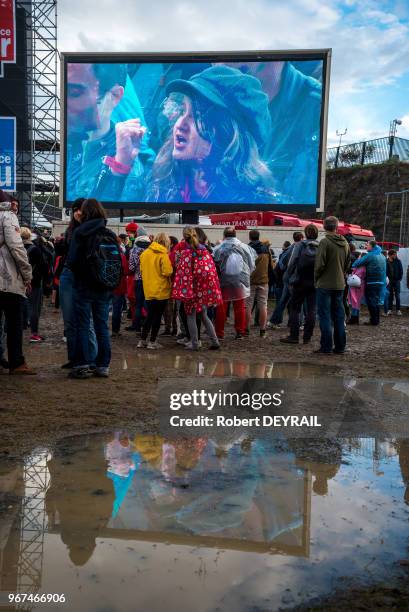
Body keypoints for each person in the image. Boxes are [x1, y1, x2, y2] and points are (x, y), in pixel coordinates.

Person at [146, 65, 277, 205]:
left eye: (198, 116)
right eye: (183, 111)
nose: (180, 124)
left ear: (228, 134)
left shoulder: (255, 202)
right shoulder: (162, 179)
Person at [66, 63, 154, 202]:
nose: (72, 104)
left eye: (78, 93)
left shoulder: (127, 158)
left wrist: (119, 169)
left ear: (115, 96)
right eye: (68, 93)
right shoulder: (69, 144)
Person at [66, 198, 119, 378]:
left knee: (83, 324)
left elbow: (71, 261)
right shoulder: (110, 233)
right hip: (104, 286)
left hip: (83, 285)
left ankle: (82, 363)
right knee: (102, 325)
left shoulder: (80, 232)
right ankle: (103, 365)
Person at [58, 198, 97, 369]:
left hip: (83, 277)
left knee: (85, 320)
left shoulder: (92, 230)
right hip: (68, 276)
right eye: (75, 210)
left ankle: (90, 358)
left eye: (80, 209)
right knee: (69, 321)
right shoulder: (70, 231)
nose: (77, 213)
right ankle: (74, 358)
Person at [0, 190, 35, 374]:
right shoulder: (7, 216)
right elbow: (16, 247)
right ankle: (17, 362)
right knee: (14, 322)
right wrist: (27, 275)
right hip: (7, 280)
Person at [171, 227, 222, 351]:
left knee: (191, 315)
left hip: (192, 290)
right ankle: (215, 341)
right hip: (205, 290)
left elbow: (182, 273)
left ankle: (194, 343)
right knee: (204, 316)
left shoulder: (186, 253)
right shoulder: (205, 251)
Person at [314, 216, 351, 354]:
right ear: (336, 227)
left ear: (324, 227)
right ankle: (340, 347)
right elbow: (348, 264)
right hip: (339, 285)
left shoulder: (324, 242)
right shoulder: (345, 242)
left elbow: (319, 265)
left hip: (324, 284)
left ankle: (326, 347)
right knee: (339, 316)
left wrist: (316, 279)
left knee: (325, 316)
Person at [213, 227, 256, 340]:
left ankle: (219, 333)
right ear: (235, 234)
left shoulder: (218, 248)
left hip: (223, 281)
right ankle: (240, 332)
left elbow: (213, 265)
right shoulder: (245, 247)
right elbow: (251, 265)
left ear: (224, 235)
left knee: (221, 307)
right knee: (240, 307)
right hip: (240, 281)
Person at [280, 223, 319, 345]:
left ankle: (294, 336)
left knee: (295, 308)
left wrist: (287, 276)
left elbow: (292, 262)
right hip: (314, 281)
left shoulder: (299, 245)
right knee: (312, 309)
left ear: (306, 233)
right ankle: (307, 337)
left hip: (299, 281)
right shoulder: (321, 245)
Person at [138, 233, 173, 349]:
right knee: (157, 317)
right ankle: (152, 342)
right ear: (166, 242)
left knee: (149, 316)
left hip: (148, 289)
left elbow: (141, 271)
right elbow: (167, 272)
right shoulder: (163, 254)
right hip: (161, 290)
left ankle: (142, 340)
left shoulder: (144, 253)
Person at [268, 232, 303, 328]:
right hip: (297, 278)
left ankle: (274, 321)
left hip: (287, 278)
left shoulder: (289, 248)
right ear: (302, 238)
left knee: (283, 301)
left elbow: (282, 264)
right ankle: (298, 323)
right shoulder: (302, 247)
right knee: (299, 301)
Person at [21, 227, 48, 343]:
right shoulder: (35, 249)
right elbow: (43, 267)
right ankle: (34, 334)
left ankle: (15, 332)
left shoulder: (16, 248)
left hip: (17, 282)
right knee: (34, 308)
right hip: (34, 282)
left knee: (17, 307)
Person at [352, 240, 386, 326]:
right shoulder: (381, 255)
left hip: (371, 282)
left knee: (371, 302)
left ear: (372, 246)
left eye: (367, 245)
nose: (366, 246)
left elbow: (357, 263)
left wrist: (357, 260)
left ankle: (373, 321)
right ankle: (376, 320)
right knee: (376, 302)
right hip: (380, 282)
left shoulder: (370, 255)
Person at [246, 229, 273, 338]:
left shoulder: (247, 248)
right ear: (258, 236)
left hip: (250, 281)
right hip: (263, 280)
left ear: (250, 237)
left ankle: (246, 329)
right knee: (263, 306)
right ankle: (262, 330)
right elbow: (270, 266)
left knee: (248, 305)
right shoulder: (266, 249)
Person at [111, 237, 129, 337]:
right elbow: (126, 271)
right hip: (119, 285)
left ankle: (100, 329)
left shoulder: (102, 252)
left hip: (105, 285)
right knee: (117, 309)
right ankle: (115, 330)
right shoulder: (121, 255)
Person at [385, 249, 403, 315]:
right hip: (389, 281)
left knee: (397, 295)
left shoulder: (398, 261)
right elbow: (385, 271)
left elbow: (401, 270)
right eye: (394, 254)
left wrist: (399, 278)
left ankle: (398, 310)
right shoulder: (386, 261)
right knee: (390, 295)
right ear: (390, 255)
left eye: (395, 254)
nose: (395, 255)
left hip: (396, 280)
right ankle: (390, 309)